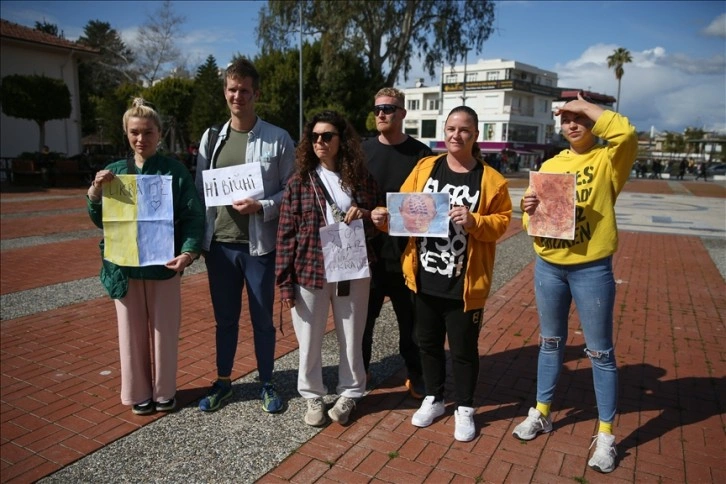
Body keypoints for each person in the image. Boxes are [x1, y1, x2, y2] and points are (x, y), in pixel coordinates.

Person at [372, 106, 512, 442]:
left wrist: (476, 221)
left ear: (475, 135)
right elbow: (404, 209)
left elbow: (502, 222)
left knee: (464, 349)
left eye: (464, 129)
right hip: (424, 275)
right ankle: (434, 397)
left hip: (464, 282)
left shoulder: (491, 180)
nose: (456, 135)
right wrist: (385, 219)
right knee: (428, 343)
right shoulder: (425, 168)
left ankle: (465, 407)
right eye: (450, 128)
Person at [514, 92, 637, 474]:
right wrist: (527, 210)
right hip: (548, 264)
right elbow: (531, 223)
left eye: (579, 117)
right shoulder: (551, 163)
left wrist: (586, 105)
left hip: (591, 269)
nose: (573, 124)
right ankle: (544, 411)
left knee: (600, 353)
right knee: (550, 343)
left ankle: (605, 435)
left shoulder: (607, 159)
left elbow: (627, 134)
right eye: (566, 117)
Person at [86, 97, 204, 415]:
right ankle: (138, 392)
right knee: (130, 332)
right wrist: (96, 193)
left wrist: (188, 252)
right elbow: (100, 221)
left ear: (159, 133)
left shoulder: (174, 171)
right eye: (135, 132)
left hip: (163, 265)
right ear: (126, 133)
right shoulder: (113, 173)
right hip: (124, 267)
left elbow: (193, 215)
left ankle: (165, 390)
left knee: (164, 330)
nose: (141, 139)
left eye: (148, 132)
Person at [194, 57, 295, 414]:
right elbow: (200, 192)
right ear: (225, 92)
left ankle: (267, 382)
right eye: (232, 89)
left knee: (263, 319)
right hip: (220, 247)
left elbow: (291, 192)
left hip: (258, 247)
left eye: (245, 90)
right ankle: (223, 382)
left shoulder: (278, 139)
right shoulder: (210, 139)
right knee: (225, 320)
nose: (238, 96)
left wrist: (263, 205)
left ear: (256, 94)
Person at [276, 110, 382, 427]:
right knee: (309, 339)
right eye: (314, 137)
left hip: (352, 268)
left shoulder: (360, 178)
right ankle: (312, 397)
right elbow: (285, 235)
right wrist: (284, 283)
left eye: (327, 136)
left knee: (352, 336)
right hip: (309, 271)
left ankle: (351, 392)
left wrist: (364, 214)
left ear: (341, 140)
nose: (320, 142)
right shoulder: (299, 181)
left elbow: (379, 223)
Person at [362, 87, 432, 398]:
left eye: (389, 108)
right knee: (362, 323)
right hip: (369, 255)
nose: (381, 114)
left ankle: (416, 374)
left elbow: (430, 207)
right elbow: (348, 199)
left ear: (402, 113)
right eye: (377, 108)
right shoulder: (361, 152)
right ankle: (358, 373)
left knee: (412, 324)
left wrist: (392, 214)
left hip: (408, 254)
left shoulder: (422, 154)